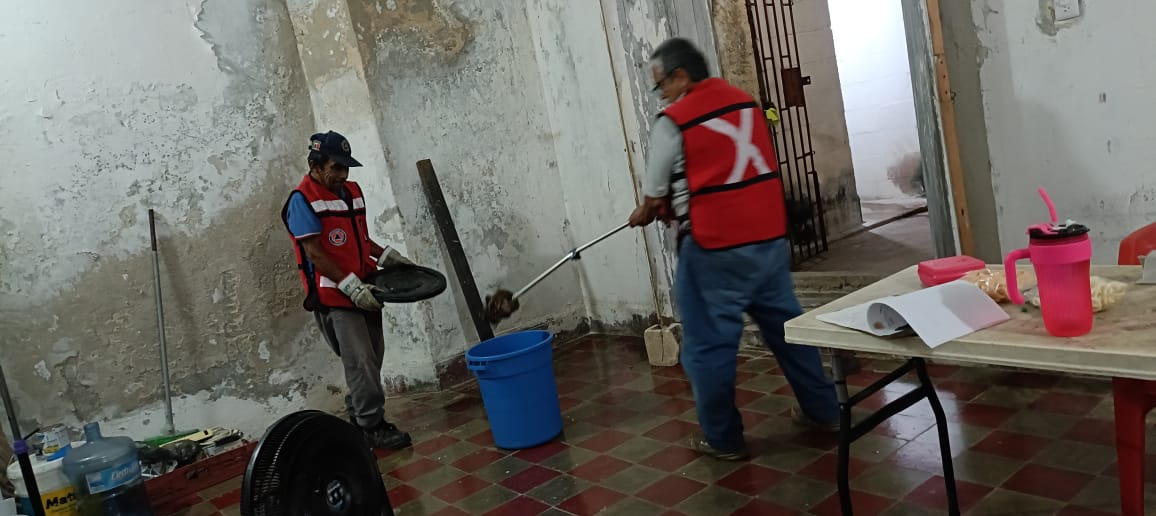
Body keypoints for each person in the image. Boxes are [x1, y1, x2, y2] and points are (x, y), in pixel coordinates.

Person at [628, 38, 841, 460]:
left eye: (662, 85)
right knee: (787, 331)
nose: (662, 94)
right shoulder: (746, 104)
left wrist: (645, 212)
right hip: (768, 241)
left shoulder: (674, 121)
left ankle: (723, 439)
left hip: (714, 248)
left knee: (708, 348)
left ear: (681, 76)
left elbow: (654, 193)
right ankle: (826, 412)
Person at [281, 130, 413, 450]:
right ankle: (371, 425)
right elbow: (314, 252)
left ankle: (359, 406)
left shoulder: (351, 191)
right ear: (315, 165)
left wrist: (385, 256)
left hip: (368, 287)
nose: (342, 175)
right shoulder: (302, 200)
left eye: (345, 168)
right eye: (335, 167)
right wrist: (349, 286)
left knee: (373, 357)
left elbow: (358, 238)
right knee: (361, 361)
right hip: (335, 295)